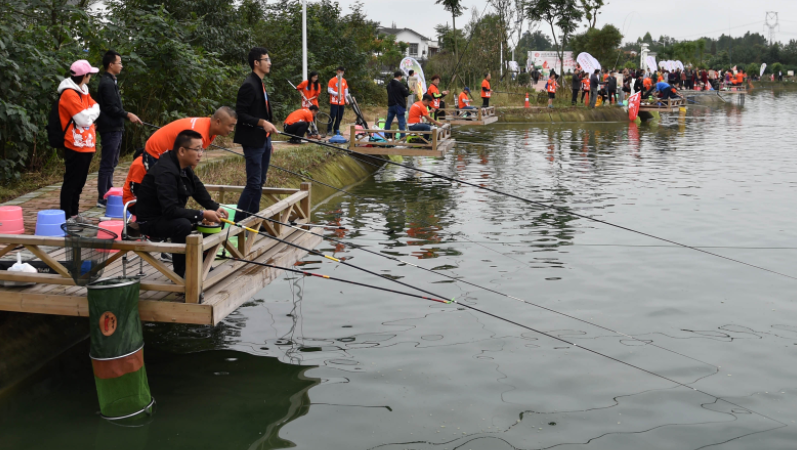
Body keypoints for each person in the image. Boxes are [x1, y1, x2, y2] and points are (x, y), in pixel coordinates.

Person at [135, 130, 228, 280]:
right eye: (197, 149)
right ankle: (181, 274)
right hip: (150, 220)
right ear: (182, 151)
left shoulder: (183, 166)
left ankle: (204, 264)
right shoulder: (166, 171)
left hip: (168, 215)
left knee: (214, 221)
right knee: (183, 225)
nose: (200, 153)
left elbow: (196, 187)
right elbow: (170, 210)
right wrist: (202, 214)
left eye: (201, 149)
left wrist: (214, 207)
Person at [234, 47, 278, 222]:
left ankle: (252, 220)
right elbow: (241, 114)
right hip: (252, 141)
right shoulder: (248, 85)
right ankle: (238, 224)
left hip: (264, 141)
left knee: (260, 182)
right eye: (266, 59)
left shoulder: (260, 83)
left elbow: (263, 113)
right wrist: (262, 123)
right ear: (256, 63)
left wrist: (269, 139)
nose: (269, 63)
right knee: (253, 183)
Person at [95, 50, 142, 208]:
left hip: (116, 127)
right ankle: (103, 197)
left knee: (113, 161)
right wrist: (128, 114)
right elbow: (110, 108)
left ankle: (109, 191)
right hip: (110, 128)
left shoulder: (112, 81)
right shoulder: (106, 83)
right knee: (107, 163)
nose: (121, 66)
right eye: (119, 63)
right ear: (111, 64)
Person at [58, 60, 100, 222]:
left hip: (87, 144)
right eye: (90, 74)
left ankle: (74, 214)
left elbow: (95, 107)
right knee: (71, 181)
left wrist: (89, 114)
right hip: (74, 144)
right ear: (84, 75)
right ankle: (66, 216)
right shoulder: (69, 93)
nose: (91, 77)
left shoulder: (83, 90)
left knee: (80, 182)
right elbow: (83, 120)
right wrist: (88, 115)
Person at [385, 70, 410, 139]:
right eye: (401, 77)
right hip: (399, 106)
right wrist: (407, 89)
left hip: (391, 105)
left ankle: (386, 135)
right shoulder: (400, 85)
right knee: (401, 121)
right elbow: (406, 94)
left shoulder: (389, 85)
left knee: (388, 121)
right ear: (399, 76)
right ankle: (403, 136)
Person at [327, 66, 348, 135]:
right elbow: (329, 90)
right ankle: (329, 130)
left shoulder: (344, 81)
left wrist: (346, 99)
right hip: (334, 101)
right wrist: (337, 94)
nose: (340, 74)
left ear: (343, 73)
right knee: (332, 115)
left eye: (342, 72)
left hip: (341, 102)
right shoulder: (332, 80)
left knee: (339, 116)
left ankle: (336, 129)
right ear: (337, 72)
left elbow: (345, 91)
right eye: (339, 72)